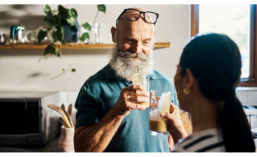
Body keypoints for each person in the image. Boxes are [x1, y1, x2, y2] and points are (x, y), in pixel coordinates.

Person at [74, 8, 177, 152]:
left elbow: (172, 139)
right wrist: (118, 111)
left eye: (146, 42)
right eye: (130, 40)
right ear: (114, 35)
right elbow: (81, 150)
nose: (137, 49)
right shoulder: (93, 88)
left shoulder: (165, 84)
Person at [161, 33, 256, 152]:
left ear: (188, 80)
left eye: (177, 67)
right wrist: (180, 137)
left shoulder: (186, 151)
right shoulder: (239, 140)